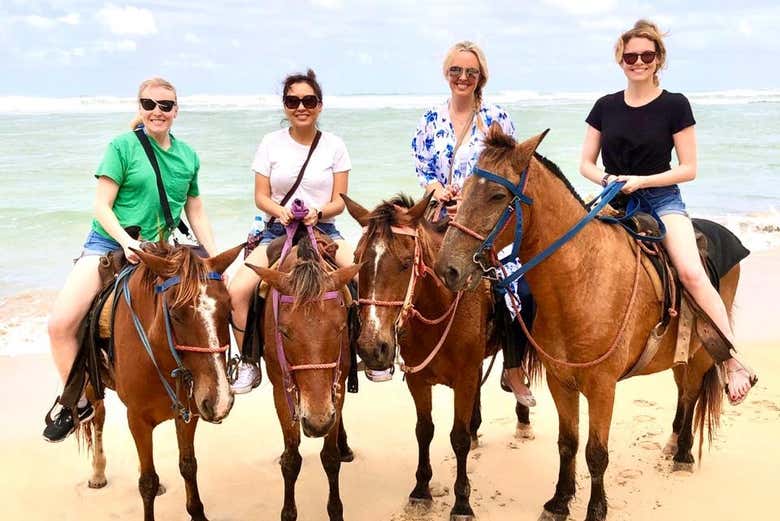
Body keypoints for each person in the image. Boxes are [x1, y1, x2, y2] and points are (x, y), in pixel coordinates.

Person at [580, 20, 756, 405]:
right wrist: (610, 178)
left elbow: (688, 168)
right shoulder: (605, 106)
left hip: (662, 201)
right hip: (613, 199)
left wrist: (642, 181)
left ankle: (730, 360)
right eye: (630, 56)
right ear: (620, 60)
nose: (638, 62)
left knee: (691, 272)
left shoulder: (675, 105)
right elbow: (585, 164)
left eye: (646, 55)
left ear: (658, 58)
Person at [43, 77, 219, 442]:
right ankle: (76, 403)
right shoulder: (121, 147)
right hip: (109, 244)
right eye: (149, 104)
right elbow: (101, 206)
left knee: (213, 302)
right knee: (59, 324)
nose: (157, 111)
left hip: (163, 249)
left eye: (165, 105)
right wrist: (126, 242)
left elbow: (196, 210)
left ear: (176, 110)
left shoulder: (188, 156)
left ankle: (222, 373)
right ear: (140, 107)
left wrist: (214, 259)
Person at [411, 40, 536, 407]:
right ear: (446, 74)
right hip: (439, 216)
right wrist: (437, 191)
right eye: (456, 71)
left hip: (484, 222)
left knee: (518, 290)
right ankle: (408, 354)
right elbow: (422, 167)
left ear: (481, 76)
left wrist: (468, 201)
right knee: (403, 275)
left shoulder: (496, 118)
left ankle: (513, 367)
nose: (463, 77)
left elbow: (509, 169)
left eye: (471, 72)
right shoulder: (430, 119)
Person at [229, 69, 355, 393]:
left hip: (324, 230)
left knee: (362, 275)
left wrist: (317, 212)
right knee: (238, 290)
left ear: (319, 105)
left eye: (308, 101)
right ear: (285, 106)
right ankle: (248, 361)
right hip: (277, 232)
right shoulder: (270, 144)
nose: (301, 107)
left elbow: (339, 201)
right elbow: (260, 197)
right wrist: (280, 211)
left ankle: (362, 353)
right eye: (293, 101)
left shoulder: (335, 146)